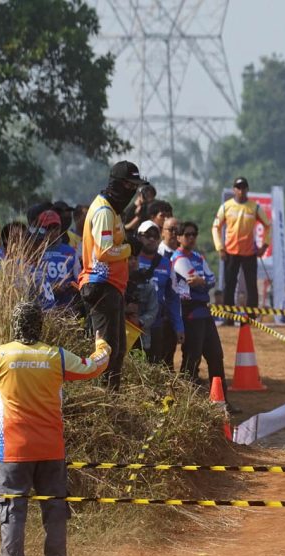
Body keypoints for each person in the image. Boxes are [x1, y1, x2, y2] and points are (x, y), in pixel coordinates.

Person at [0, 302, 110, 556]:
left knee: (12, 508)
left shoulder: (0, 356)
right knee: (54, 507)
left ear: (14, 325)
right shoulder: (56, 356)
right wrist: (102, 346)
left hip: (14, 448)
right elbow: (92, 367)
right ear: (40, 325)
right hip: (51, 447)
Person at [78, 160, 147, 391]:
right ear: (118, 184)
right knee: (106, 351)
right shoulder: (104, 210)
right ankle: (103, 401)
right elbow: (104, 251)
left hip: (112, 287)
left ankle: (112, 398)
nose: (132, 191)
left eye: (135, 186)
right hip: (101, 285)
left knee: (117, 350)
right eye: (129, 185)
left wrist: (129, 242)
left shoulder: (113, 210)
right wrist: (130, 249)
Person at [171, 222, 228, 396]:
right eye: (187, 234)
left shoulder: (198, 256)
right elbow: (194, 280)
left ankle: (222, 399)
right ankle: (185, 402)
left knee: (216, 356)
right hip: (189, 312)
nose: (191, 238)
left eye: (194, 234)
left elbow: (211, 280)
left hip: (204, 311)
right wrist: (203, 281)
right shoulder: (177, 257)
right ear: (179, 237)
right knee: (192, 358)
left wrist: (201, 281)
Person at [211, 176, 271, 316]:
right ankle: (229, 317)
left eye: (244, 187)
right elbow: (215, 227)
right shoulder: (226, 206)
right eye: (238, 187)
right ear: (234, 190)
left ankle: (251, 317)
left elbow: (268, 226)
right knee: (229, 286)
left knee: (251, 286)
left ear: (247, 189)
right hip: (230, 252)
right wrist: (220, 247)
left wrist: (264, 246)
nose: (241, 190)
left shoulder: (254, 207)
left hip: (249, 253)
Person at [136, 220, 183, 365]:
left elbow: (173, 298)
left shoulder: (167, 264)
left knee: (154, 365)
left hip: (156, 324)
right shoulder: (131, 260)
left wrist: (179, 327)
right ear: (138, 237)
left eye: (155, 235)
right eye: (147, 235)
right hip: (133, 324)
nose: (151, 239)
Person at [36, 209, 80, 311]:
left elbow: (79, 278)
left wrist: (72, 287)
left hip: (66, 308)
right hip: (44, 309)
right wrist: (51, 288)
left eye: (55, 228)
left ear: (60, 228)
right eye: (48, 228)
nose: (52, 232)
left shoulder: (70, 251)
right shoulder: (35, 252)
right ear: (40, 230)